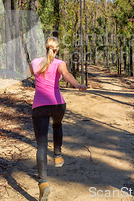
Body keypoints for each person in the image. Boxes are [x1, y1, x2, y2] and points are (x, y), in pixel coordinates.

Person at [29, 36, 87, 201]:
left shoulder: (35, 62)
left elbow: (25, 73)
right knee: (57, 125)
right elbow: (66, 74)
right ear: (57, 49)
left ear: (45, 48)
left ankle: (43, 183)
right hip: (57, 105)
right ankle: (57, 154)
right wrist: (78, 85)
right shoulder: (60, 63)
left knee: (41, 146)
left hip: (39, 107)